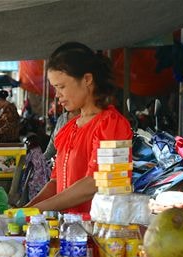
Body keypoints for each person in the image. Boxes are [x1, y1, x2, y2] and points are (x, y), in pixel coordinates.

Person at [26, 42, 132, 213]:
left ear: (87, 79)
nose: (57, 95)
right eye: (55, 88)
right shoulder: (68, 128)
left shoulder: (111, 125)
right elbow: (55, 181)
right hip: (69, 230)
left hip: (98, 232)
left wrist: (39, 209)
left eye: (61, 87)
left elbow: (96, 182)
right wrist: (28, 209)